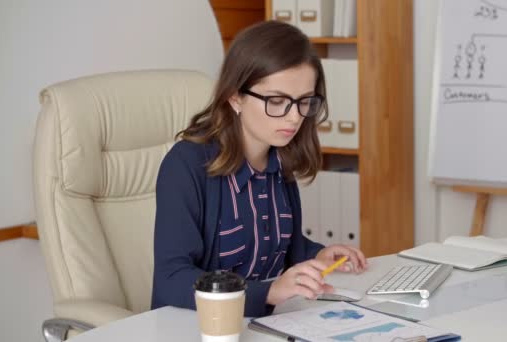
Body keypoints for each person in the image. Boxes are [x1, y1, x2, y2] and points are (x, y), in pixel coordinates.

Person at [151, 20, 368, 317]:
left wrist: (318, 254)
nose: (294, 118)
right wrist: (267, 292)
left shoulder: (280, 160)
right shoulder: (186, 164)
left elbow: (280, 246)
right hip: (199, 327)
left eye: (304, 102)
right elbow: (171, 280)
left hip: (268, 323)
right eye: (277, 101)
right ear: (235, 97)